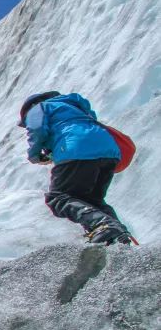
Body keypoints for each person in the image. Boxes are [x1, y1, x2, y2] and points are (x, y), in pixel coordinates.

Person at [19, 91, 131, 244]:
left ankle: (103, 226)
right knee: (92, 200)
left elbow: (36, 130)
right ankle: (118, 237)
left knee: (58, 198)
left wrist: (35, 155)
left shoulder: (39, 107)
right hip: (109, 150)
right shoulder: (74, 106)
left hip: (76, 148)